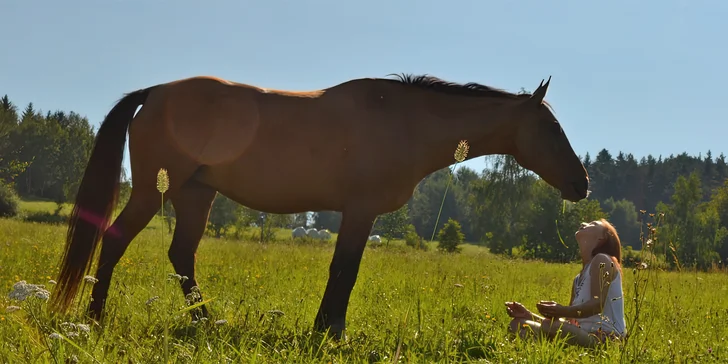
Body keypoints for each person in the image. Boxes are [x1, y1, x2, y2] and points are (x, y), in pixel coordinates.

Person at [505, 218, 627, 348]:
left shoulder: (603, 260)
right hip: (582, 334)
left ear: (602, 237)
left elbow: (597, 304)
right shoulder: (578, 279)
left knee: (547, 327)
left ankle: (543, 344)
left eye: (592, 224)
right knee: (517, 324)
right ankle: (548, 344)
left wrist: (561, 310)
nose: (583, 224)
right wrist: (529, 315)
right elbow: (571, 322)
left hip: (607, 338)